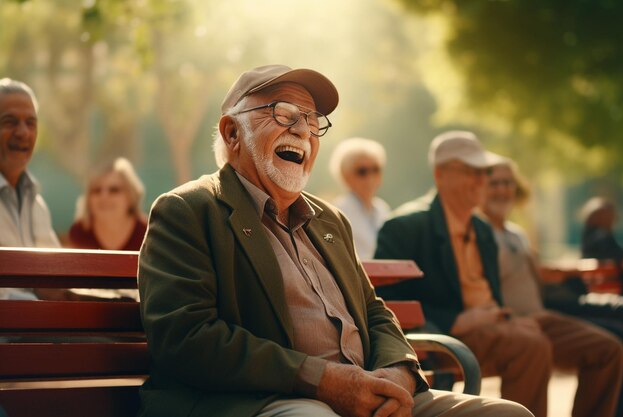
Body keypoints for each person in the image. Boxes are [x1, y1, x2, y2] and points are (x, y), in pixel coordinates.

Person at [137, 65, 532, 417]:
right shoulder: (188, 209)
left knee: (508, 414)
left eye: (312, 120)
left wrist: (397, 373)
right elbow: (185, 338)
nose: (303, 131)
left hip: (366, 397)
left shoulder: (329, 219)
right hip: (258, 400)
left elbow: (375, 312)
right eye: (284, 114)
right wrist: (323, 380)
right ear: (232, 131)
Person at [375, 131, 552, 417]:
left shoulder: (482, 230)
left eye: (485, 171)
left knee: (602, 344)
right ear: (440, 174)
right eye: (471, 171)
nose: (482, 180)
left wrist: (510, 318)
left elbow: (491, 295)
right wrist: (457, 320)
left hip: (495, 324)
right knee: (531, 347)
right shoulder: (405, 227)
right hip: (445, 337)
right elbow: (386, 301)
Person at [480, 159, 623, 417]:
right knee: (534, 347)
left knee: (610, 349)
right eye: (495, 183)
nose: (502, 190)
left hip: (544, 316)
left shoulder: (516, 234)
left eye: (508, 183)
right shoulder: (474, 233)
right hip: (511, 323)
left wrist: (565, 272)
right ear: (478, 186)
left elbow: (538, 277)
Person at [0, 78, 60, 300]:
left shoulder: (37, 204)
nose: (23, 132)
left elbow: (59, 281)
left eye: (31, 123)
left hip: (37, 330)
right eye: (10, 122)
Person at [68, 157, 147, 251]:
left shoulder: (148, 232)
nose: (104, 197)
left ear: (131, 195)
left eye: (114, 190)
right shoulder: (79, 232)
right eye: (96, 190)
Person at [329, 137, 390, 259]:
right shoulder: (336, 211)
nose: (370, 177)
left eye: (375, 169)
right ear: (345, 176)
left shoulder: (383, 209)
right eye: (362, 171)